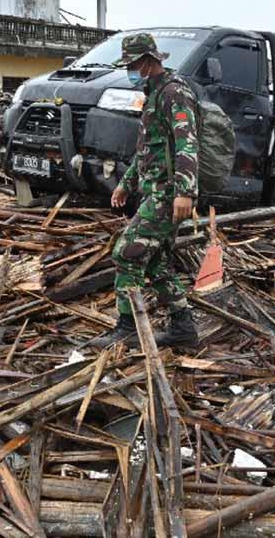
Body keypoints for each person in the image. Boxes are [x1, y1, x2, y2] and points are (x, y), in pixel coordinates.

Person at [91, 33, 199, 348]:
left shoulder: (174, 93)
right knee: (156, 262)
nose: (130, 71)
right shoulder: (153, 93)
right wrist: (126, 184)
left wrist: (185, 191)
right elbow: (148, 148)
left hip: (170, 193)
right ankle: (184, 328)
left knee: (126, 253)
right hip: (156, 191)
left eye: (133, 64)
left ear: (150, 61)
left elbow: (186, 143)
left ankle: (128, 328)